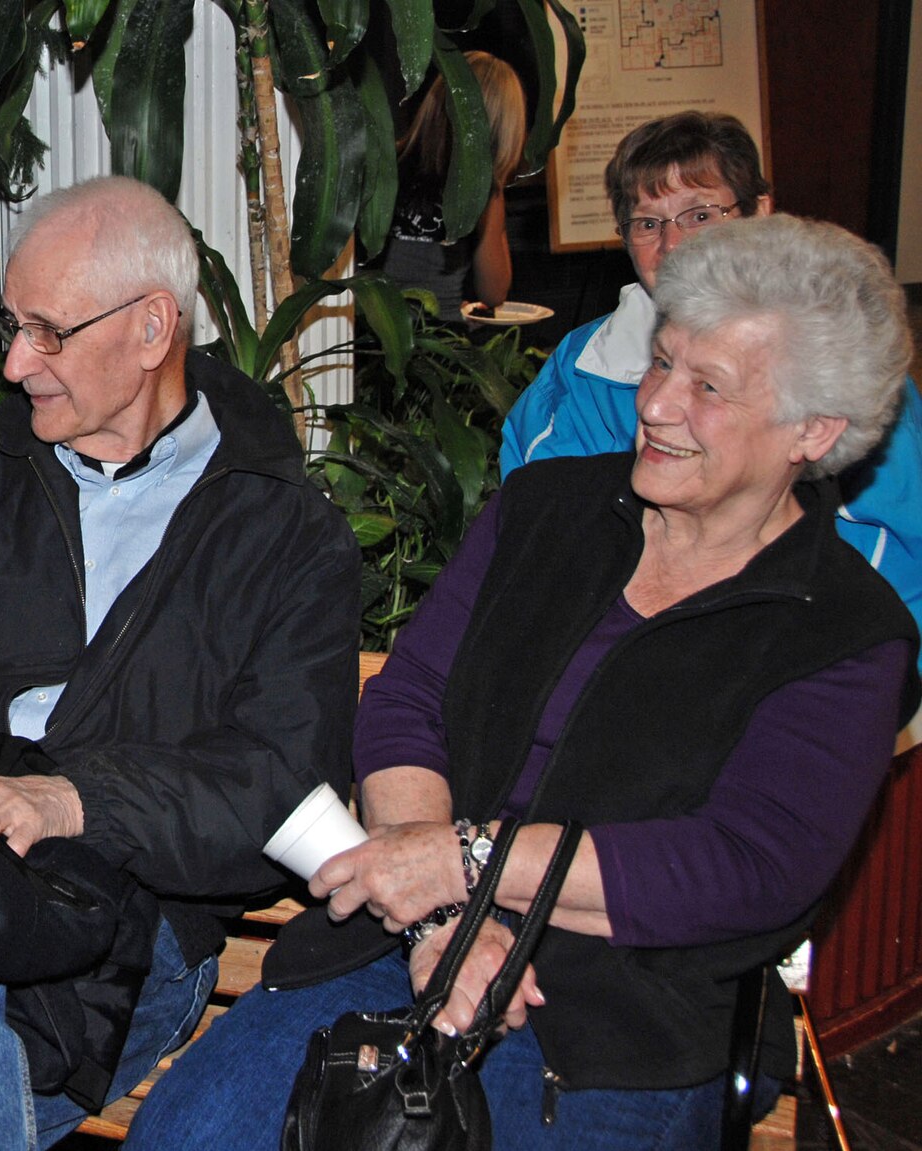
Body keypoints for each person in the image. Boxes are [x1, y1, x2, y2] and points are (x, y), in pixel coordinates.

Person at [125, 214, 921, 1149]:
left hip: (618, 1018)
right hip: (403, 944)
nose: (658, 404)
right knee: (193, 1133)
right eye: (661, 363)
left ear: (813, 430)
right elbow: (407, 701)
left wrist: (469, 858)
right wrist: (447, 913)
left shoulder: (847, 630)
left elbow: (745, 864)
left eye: (709, 386)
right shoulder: (547, 511)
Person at [0, 175, 362, 1150]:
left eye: (47, 331)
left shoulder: (282, 536)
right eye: (13, 324)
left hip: (123, 923)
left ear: (149, 329)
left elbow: (275, 778)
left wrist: (72, 801)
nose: (12, 363)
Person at [502, 111, 922, 673]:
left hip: (807, 664)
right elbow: (537, 545)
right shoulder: (583, 373)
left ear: (760, 213)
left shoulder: (838, 370)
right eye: (647, 224)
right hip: (617, 663)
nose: (673, 245)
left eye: (699, 214)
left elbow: (898, 568)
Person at [370, 50, 526, 313]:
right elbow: (494, 291)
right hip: (437, 341)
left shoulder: (382, 165)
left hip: (365, 335)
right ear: (501, 129)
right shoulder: (480, 191)